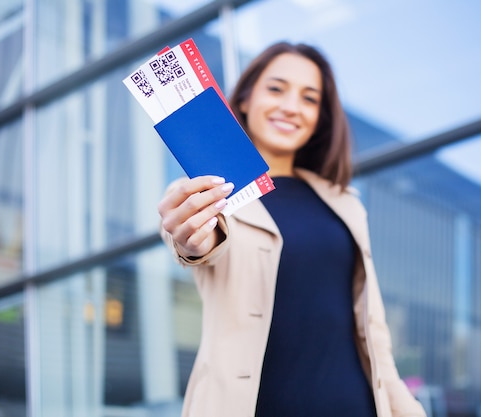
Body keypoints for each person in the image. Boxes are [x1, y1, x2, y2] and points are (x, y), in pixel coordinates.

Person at [158, 41, 426, 417]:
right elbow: (200, 241)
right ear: (246, 99)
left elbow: (373, 333)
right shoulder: (207, 193)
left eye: (309, 98)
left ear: (320, 118)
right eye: (276, 88)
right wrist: (192, 236)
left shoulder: (345, 204)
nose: (290, 107)